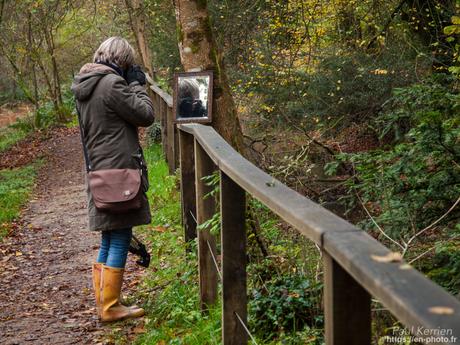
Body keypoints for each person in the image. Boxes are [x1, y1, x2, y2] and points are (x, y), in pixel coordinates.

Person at [71, 37, 154, 322]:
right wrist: (137, 84)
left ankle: (106, 301)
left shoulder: (86, 84)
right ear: (122, 61)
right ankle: (110, 308)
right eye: (128, 64)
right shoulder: (111, 84)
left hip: (100, 171)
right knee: (119, 237)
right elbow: (146, 115)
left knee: (110, 237)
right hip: (119, 172)